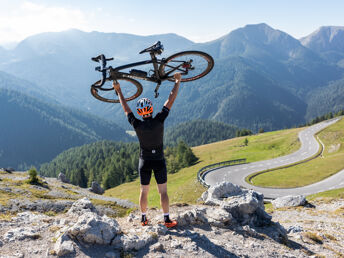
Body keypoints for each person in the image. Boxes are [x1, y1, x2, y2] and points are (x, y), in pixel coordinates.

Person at [113, 73, 182, 228]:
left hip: (144, 161)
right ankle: (167, 220)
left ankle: (143, 219)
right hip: (159, 161)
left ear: (140, 113)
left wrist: (119, 91)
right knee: (163, 192)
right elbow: (170, 99)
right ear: (151, 109)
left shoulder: (137, 124)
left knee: (144, 191)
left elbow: (125, 108)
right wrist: (177, 81)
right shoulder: (159, 120)